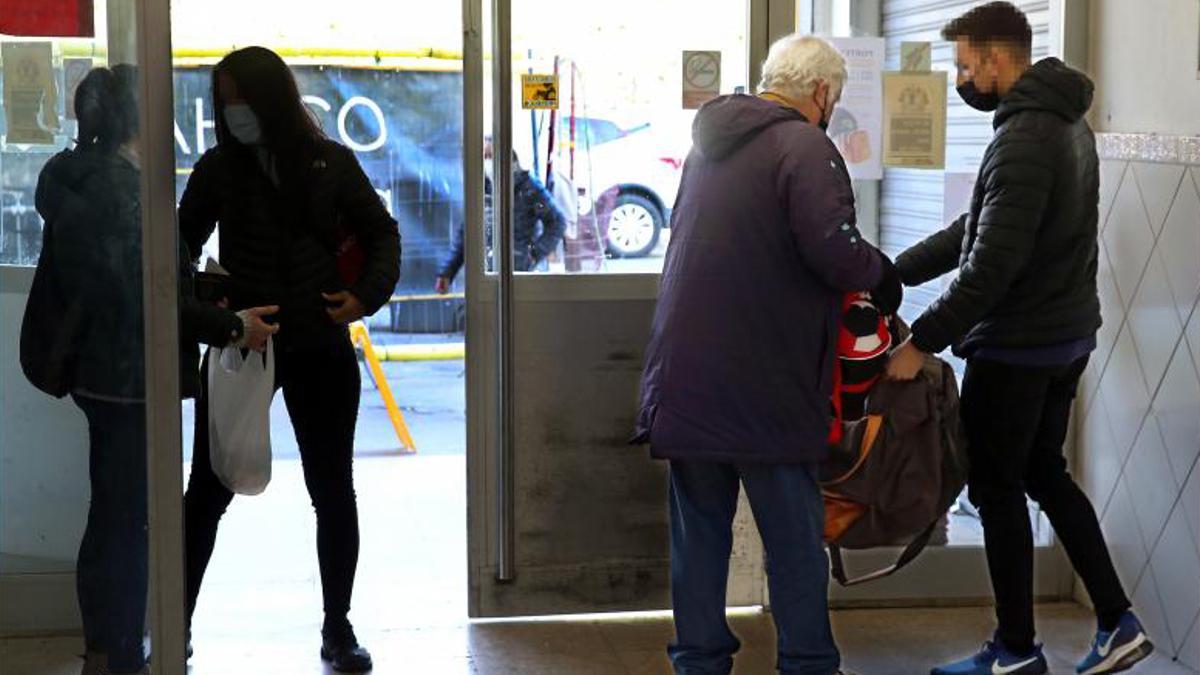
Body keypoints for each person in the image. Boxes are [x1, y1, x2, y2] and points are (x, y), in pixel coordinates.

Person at [884, 4, 1153, 675]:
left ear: (998, 59)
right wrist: (890, 272)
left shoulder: (1027, 135)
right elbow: (973, 230)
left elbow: (990, 266)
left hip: (1019, 345)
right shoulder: (1062, 121)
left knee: (996, 486)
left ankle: (1014, 650)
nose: (961, 78)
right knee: (1041, 470)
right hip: (1063, 338)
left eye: (965, 65)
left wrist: (921, 340)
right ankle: (1118, 618)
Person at [635, 35, 899, 675]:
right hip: (766, 381)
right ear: (822, 92)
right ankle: (808, 662)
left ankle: (699, 660)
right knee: (794, 540)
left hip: (688, 376)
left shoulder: (708, 146)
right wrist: (884, 276)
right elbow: (834, 250)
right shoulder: (806, 145)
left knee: (699, 536)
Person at [32, 65, 277, 675]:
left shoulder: (82, 176)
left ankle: (104, 648)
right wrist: (228, 324)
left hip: (103, 373)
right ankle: (122, 654)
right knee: (132, 522)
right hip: (132, 377)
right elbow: (148, 296)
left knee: (112, 513)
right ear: (136, 117)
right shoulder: (124, 191)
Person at [179, 46, 400, 673]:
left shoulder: (331, 162)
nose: (232, 111)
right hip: (243, 346)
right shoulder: (218, 168)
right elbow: (175, 252)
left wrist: (363, 297)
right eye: (224, 101)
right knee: (208, 491)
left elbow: (382, 233)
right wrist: (217, 310)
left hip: (321, 348)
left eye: (241, 98)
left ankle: (338, 628)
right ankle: (177, 623)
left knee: (333, 491)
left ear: (270, 97)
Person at [434, 140, 566, 292]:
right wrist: (447, 272)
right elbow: (467, 233)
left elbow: (557, 222)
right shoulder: (481, 189)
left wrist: (534, 253)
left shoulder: (529, 189)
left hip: (520, 276)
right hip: (487, 276)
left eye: (491, 156)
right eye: (484, 157)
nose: (487, 162)